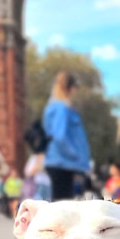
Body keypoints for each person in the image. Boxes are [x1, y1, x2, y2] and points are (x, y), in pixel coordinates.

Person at [42, 72, 91, 201]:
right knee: (62, 205)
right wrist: (74, 154)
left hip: (61, 161)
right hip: (62, 162)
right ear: (71, 88)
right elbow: (59, 136)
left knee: (61, 203)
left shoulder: (55, 106)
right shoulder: (61, 107)